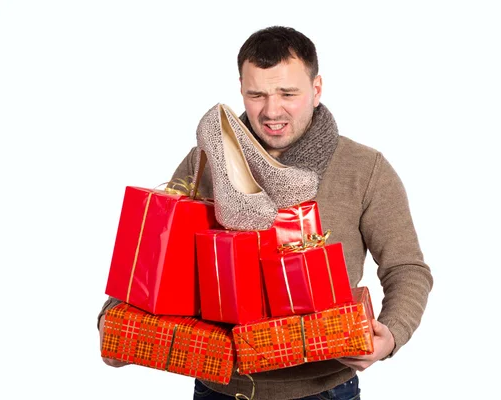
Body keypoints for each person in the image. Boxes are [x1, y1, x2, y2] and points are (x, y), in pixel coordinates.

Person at [98, 26, 433, 399]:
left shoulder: (363, 167)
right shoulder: (206, 161)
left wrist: (392, 333)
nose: (272, 111)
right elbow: (147, 260)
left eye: (288, 93)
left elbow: (406, 267)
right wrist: (115, 322)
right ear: (241, 89)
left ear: (316, 89)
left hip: (325, 389)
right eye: (256, 94)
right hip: (220, 387)